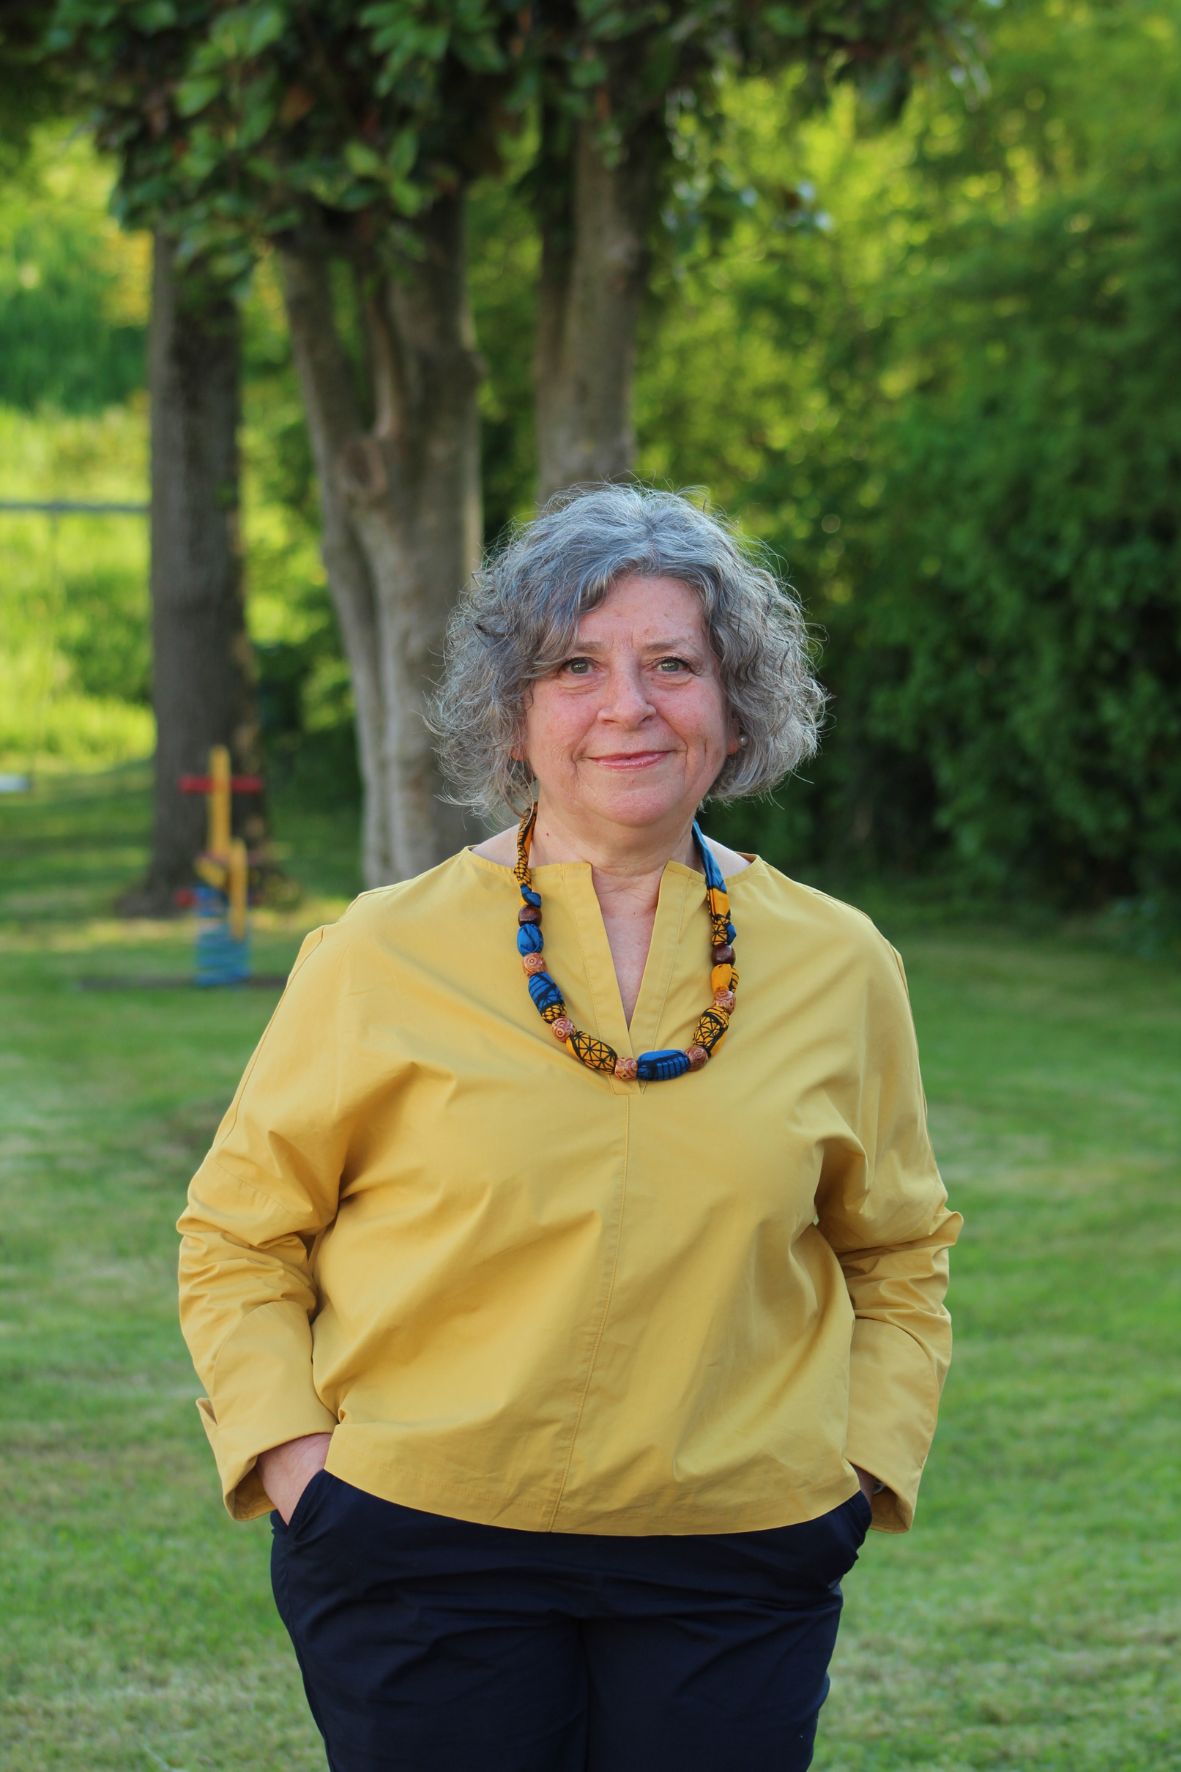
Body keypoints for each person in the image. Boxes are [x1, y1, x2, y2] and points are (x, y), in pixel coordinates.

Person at [178, 483, 961, 1772]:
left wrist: (861, 1468)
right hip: (416, 1546)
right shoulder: (378, 953)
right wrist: (298, 1467)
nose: (628, 706)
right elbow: (240, 1236)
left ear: (736, 702)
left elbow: (898, 1250)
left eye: (674, 665)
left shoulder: (842, 963)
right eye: (576, 667)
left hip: (737, 1550)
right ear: (515, 711)